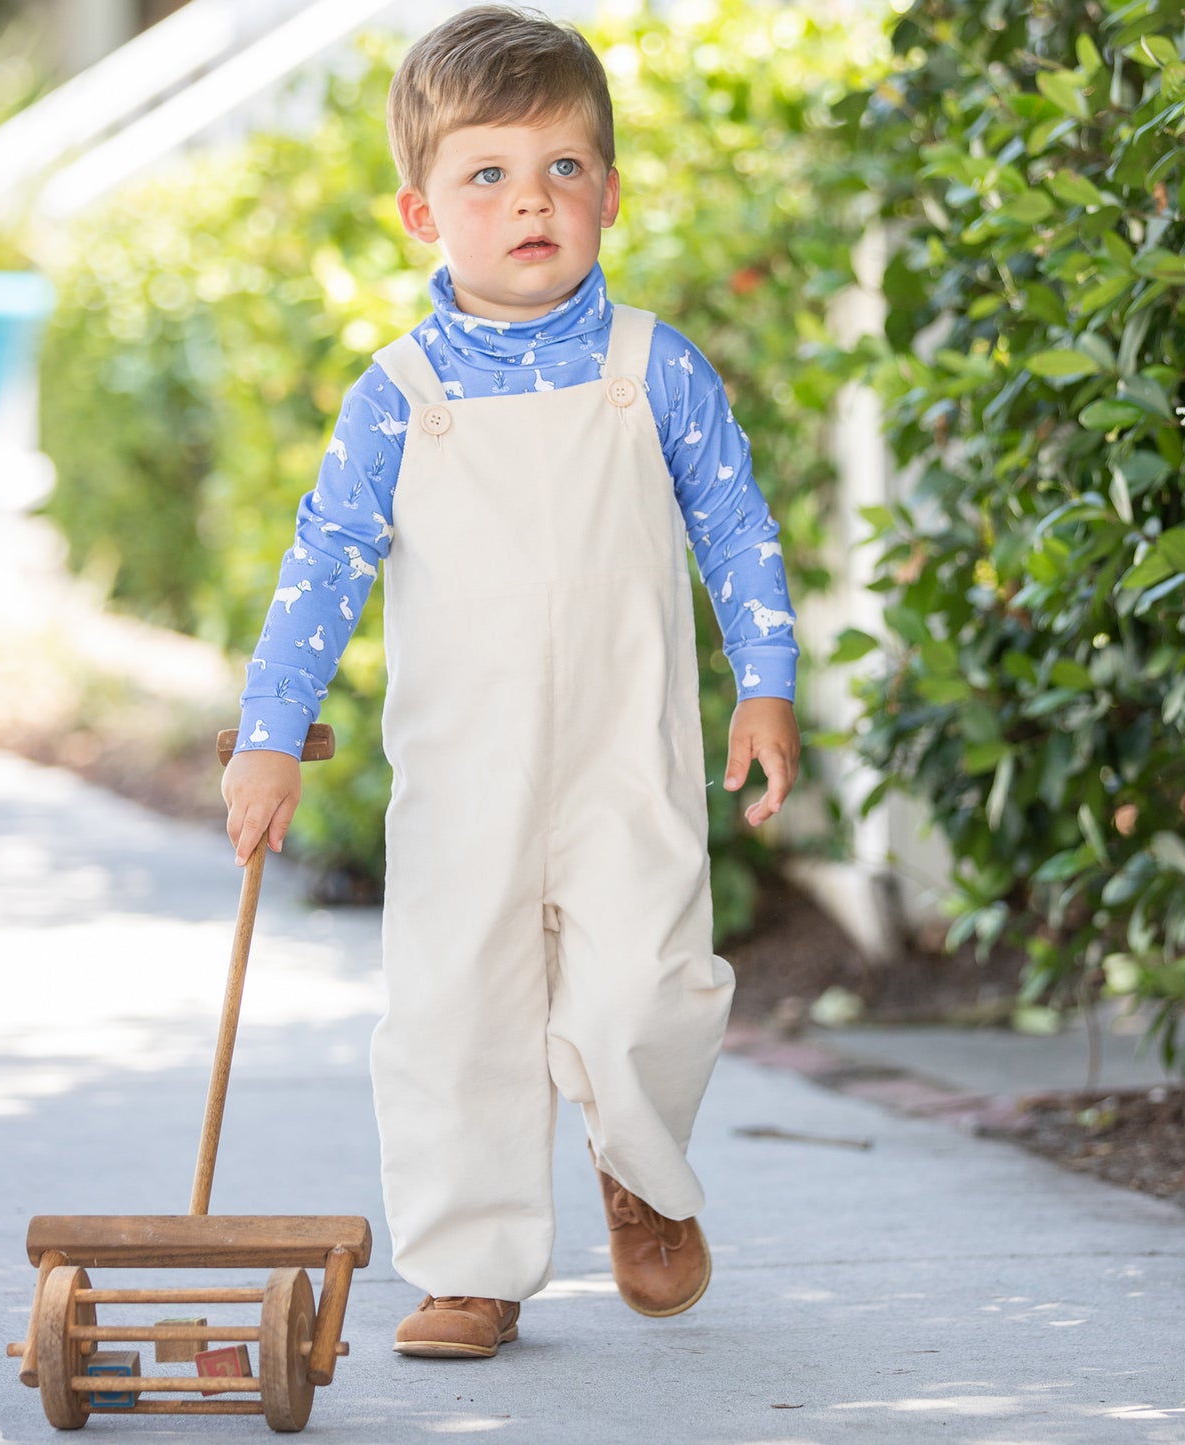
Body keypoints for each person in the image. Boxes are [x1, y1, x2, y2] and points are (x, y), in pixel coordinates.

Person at [222, 3, 801, 1359]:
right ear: (422, 212)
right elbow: (323, 568)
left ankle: (641, 1173)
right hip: (465, 773)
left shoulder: (651, 370)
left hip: (623, 762)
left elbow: (735, 526)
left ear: (607, 189)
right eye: (485, 174)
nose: (528, 200)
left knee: (651, 988)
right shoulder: (395, 394)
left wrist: (762, 681)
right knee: (453, 1009)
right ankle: (469, 1263)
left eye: (561, 169)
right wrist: (265, 732)